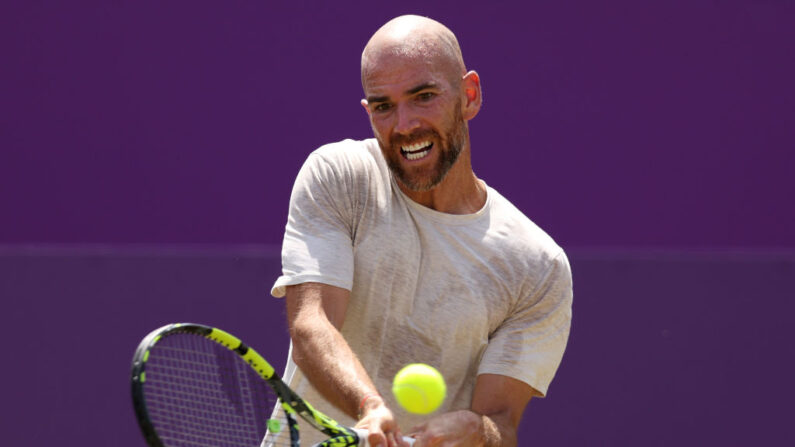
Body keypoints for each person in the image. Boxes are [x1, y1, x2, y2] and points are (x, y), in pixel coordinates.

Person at [266, 15, 573, 447]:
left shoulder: (536, 266)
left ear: (469, 96)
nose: (405, 124)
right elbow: (311, 324)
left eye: (423, 96)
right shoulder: (339, 175)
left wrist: (478, 432)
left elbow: (501, 422)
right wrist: (370, 406)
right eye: (383, 106)